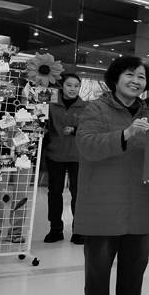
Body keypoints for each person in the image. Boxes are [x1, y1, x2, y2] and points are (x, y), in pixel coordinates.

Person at [74, 56, 149, 295]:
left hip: (139, 197)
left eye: (141, 77)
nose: (136, 81)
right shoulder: (95, 109)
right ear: (115, 78)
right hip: (102, 198)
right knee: (98, 261)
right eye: (130, 75)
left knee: (136, 260)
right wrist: (126, 134)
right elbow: (86, 145)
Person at [43, 73, 86, 244]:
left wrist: (75, 130)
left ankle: (79, 230)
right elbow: (43, 124)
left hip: (78, 155)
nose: (73, 89)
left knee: (78, 193)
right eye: (69, 85)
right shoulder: (51, 104)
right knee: (54, 193)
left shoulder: (86, 107)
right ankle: (55, 229)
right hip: (55, 154)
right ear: (62, 86)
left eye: (76, 86)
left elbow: (92, 129)